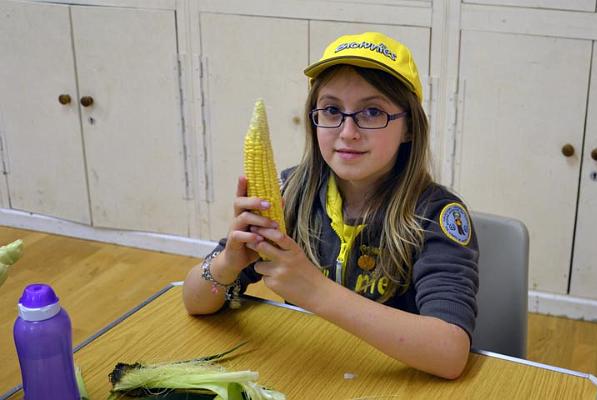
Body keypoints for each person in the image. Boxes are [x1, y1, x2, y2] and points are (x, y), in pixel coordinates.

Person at [183, 31, 479, 380]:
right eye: (332, 110)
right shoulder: (290, 192)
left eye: (372, 111)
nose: (348, 131)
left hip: (393, 380)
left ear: (409, 128)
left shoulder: (435, 215)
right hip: (313, 370)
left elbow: (450, 354)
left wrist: (316, 291)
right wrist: (228, 264)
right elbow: (195, 302)